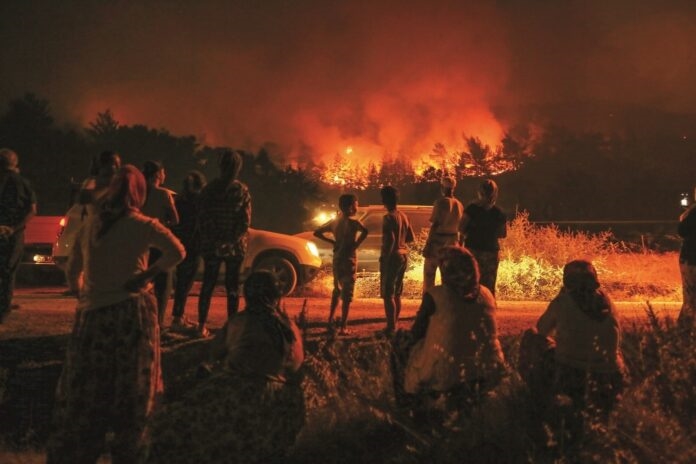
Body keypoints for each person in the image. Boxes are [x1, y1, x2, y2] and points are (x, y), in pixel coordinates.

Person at [46, 165, 185, 464]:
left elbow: (72, 269)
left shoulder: (92, 224)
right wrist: (147, 275)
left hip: (94, 316)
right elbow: (178, 252)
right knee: (133, 388)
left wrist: (85, 291)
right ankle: (129, 452)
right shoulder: (144, 224)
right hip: (131, 313)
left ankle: (79, 451)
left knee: (88, 388)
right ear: (139, 195)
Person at [147, 271, 305, 464]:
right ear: (277, 296)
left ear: (247, 295)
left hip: (245, 398)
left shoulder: (242, 320)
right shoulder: (291, 327)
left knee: (167, 428)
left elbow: (213, 354)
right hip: (286, 410)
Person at [399, 246, 506, 417]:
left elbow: (415, 334)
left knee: (400, 345)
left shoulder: (436, 295)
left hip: (448, 373)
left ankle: (409, 406)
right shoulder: (486, 293)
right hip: (490, 369)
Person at [535, 260, 625, 418]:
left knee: (532, 339)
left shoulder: (563, 301)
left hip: (573, 372)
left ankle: (540, 401)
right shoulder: (608, 302)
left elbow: (541, 329)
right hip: (610, 373)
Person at [196, 150, 251, 337]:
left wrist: (217, 239)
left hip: (212, 245)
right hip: (235, 249)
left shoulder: (209, 189)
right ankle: (231, 328)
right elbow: (245, 221)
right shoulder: (242, 191)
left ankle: (201, 325)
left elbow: (203, 217)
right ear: (238, 168)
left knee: (208, 285)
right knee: (233, 288)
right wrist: (230, 241)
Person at [313, 193, 368, 335]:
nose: (357, 207)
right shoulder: (354, 223)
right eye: (356, 204)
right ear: (351, 206)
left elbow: (317, 232)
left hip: (337, 259)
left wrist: (333, 242)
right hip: (349, 260)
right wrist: (356, 244)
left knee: (336, 290)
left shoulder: (334, 222)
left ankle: (330, 322)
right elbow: (365, 231)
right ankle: (343, 326)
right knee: (347, 294)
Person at [0, 149, 37, 323]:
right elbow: (32, 210)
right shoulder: (23, 183)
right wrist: (13, 229)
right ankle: (4, 309)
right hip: (14, 234)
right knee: (8, 272)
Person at [140, 160, 179, 325]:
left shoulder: (138, 193)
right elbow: (176, 219)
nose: (165, 175)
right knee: (163, 288)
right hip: (159, 246)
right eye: (163, 172)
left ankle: (142, 320)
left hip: (141, 245)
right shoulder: (163, 194)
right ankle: (159, 322)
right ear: (157, 174)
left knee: (142, 285)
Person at [170, 170, 207, 330]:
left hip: (178, 243)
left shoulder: (178, 200)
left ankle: (177, 315)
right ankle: (177, 318)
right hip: (193, 246)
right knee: (185, 282)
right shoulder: (199, 201)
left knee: (179, 281)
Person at [459, 179, 507, 295]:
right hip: (491, 252)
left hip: (473, 250)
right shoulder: (499, 212)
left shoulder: (472, 209)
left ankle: (471, 309)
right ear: (495, 193)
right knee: (489, 285)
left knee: (472, 282)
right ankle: (488, 308)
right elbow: (503, 234)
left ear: (480, 192)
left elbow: (460, 227)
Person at [380, 185, 415, 334]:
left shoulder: (388, 218)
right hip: (403, 256)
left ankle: (390, 327)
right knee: (397, 293)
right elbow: (410, 238)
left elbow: (390, 240)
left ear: (384, 200)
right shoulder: (403, 216)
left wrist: (385, 258)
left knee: (388, 294)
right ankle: (395, 323)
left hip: (393, 256)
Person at [422, 176, 464, 293]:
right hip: (453, 245)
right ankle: (448, 304)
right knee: (448, 279)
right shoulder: (459, 205)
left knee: (429, 276)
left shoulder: (440, 203)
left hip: (437, 244)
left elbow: (435, 225)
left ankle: (428, 304)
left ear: (442, 187)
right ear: (454, 188)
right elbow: (461, 229)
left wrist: (428, 245)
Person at [677, 189, 696, 330]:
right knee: (691, 297)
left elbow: (682, 231)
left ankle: (684, 329)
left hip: (689, 258)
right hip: (691, 259)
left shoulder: (692, 213)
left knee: (690, 296)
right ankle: (684, 328)